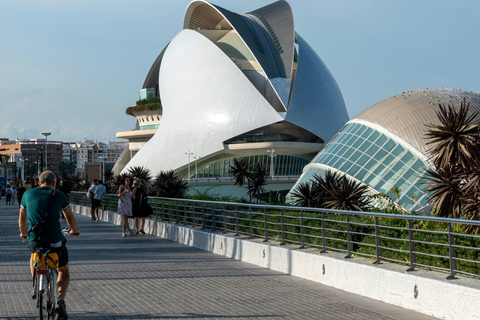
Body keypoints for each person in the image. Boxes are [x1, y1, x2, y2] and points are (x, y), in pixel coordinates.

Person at [18, 171, 80, 320]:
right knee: (63, 270)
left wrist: (23, 233)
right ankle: (60, 302)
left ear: (39, 183)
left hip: (35, 240)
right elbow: (69, 216)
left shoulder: (27, 194)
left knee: (34, 256)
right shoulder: (59, 195)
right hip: (55, 241)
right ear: (54, 183)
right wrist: (74, 230)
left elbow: (22, 218)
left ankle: (36, 284)